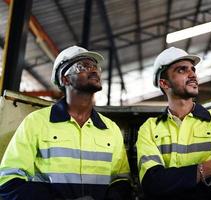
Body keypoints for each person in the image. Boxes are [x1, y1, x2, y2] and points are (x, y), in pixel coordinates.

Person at [0, 46, 132, 200]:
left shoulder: (110, 129)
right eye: (83, 66)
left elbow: (121, 180)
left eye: (95, 66)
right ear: (65, 79)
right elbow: (8, 182)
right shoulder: (36, 122)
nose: (94, 70)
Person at [136, 47, 211, 200]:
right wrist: (209, 168)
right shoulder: (149, 128)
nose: (192, 74)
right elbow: (153, 184)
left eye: (193, 69)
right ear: (164, 83)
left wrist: (171, 185)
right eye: (182, 70)